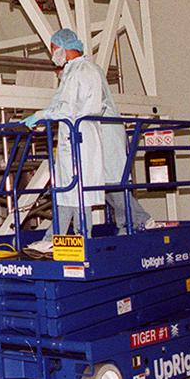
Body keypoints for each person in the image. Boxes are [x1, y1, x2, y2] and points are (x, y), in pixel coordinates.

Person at [22, 29, 150, 252]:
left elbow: (69, 108)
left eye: (53, 50)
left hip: (83, 139)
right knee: (69, 190)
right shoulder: (75, 71)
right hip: (76, 138)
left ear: (64, 48)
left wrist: (41, 115)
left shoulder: (83, 71)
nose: (53, 55)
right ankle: (56, 238)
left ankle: (83, 237)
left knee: (81, 189)